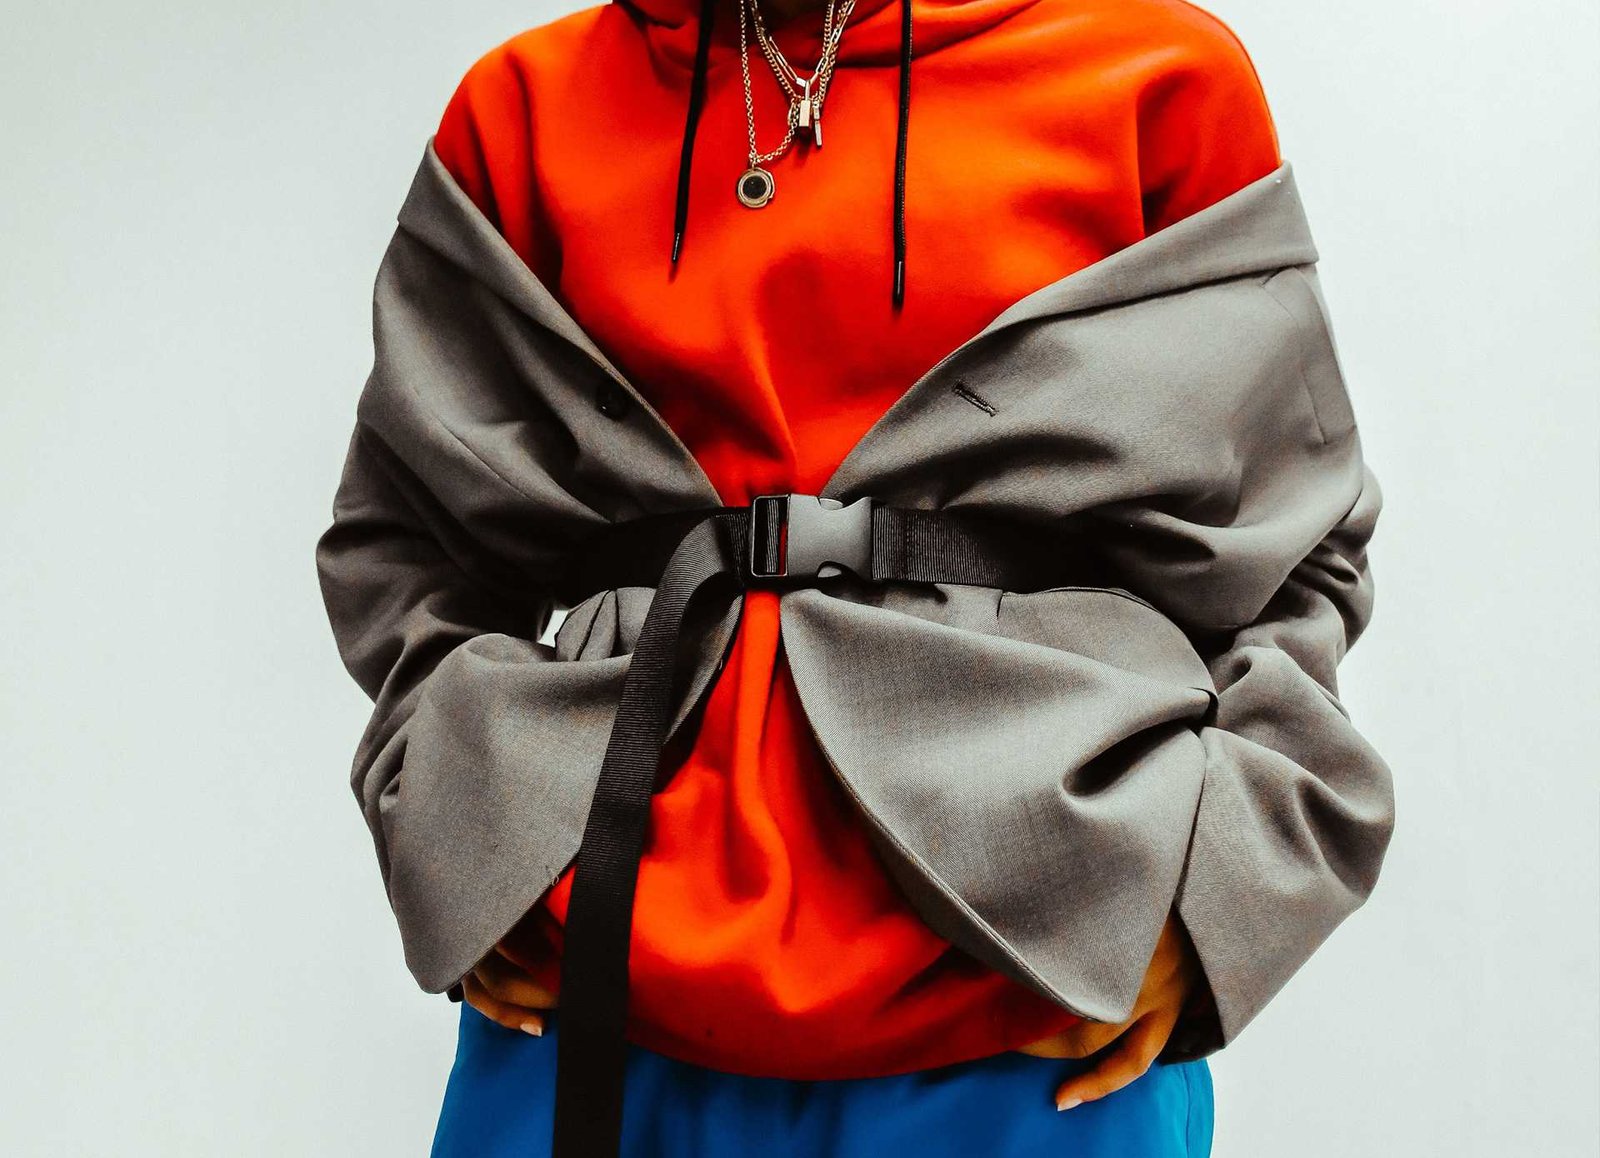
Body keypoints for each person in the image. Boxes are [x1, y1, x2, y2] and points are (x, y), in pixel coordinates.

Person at [390, 0, 1284, 1151]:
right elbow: (409, 540)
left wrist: (1215, 899)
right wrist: (459, 841)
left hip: (1038, 986)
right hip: (596, 965)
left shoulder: (1158, 78)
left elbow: (1286, 544)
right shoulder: (522, 105)